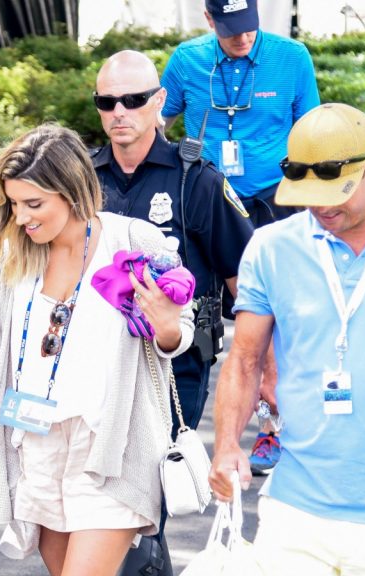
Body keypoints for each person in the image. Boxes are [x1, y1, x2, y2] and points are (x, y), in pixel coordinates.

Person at [0, 123, 194, 575]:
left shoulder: (131, 241)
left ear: (71, 192)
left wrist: (166, 327)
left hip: (110, 445)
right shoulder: (14, 254)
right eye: (13, 204)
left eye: (34, 204)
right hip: (37, 439)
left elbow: (177, 334)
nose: (23, 217)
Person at [209, 102, 365, 574]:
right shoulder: (271, 247)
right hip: (296, 510)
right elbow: (244, 359)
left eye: (337, 192)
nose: (323, 206)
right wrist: (227, 445)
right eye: (310, 193)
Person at [161, 0, 320, 474]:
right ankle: (182, 430)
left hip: (274, 199)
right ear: (209, 21)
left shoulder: (292, 58)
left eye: (249, 27)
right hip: (210, 200)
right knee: (202, 315)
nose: (243, 37)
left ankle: (273, 429)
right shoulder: (186, 61)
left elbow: (311, 130)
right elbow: (157, 122)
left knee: (277, 320)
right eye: (230, 30)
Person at [93, 50, 254, 437]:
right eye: (107, 102)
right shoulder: (83, 178)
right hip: (98, 358)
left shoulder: (196, 181)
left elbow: (246, 281)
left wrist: (257, 365)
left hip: (175, 363)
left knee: (165, 481)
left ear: (160, 100)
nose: (119, 111)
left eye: (133, 100)